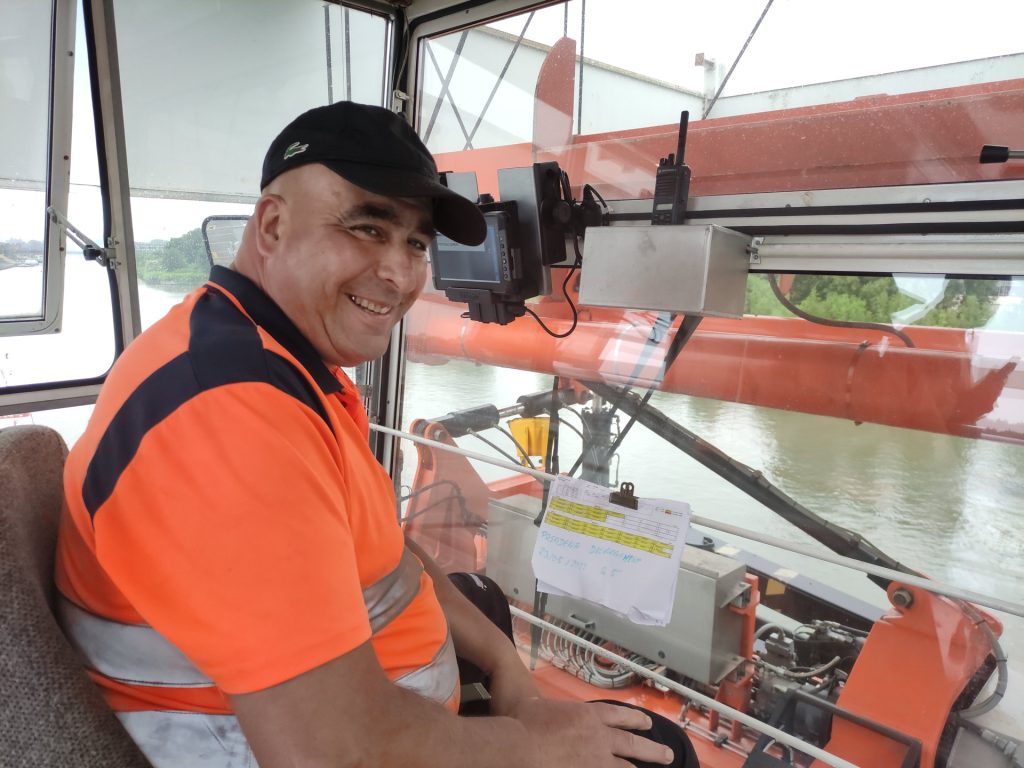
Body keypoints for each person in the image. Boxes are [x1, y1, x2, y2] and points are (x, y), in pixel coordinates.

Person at [55, 101, 695, 768]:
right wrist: (530, 744)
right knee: (662, 753)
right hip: (247, 744)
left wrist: (503, 663)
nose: (400, 273)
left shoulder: (277, 358)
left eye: (416, 243)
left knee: (483, 606)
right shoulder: (228, 409)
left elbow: (387, 558)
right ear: (272, 225)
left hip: (377, 716)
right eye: (367, 227)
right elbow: (336, 755)